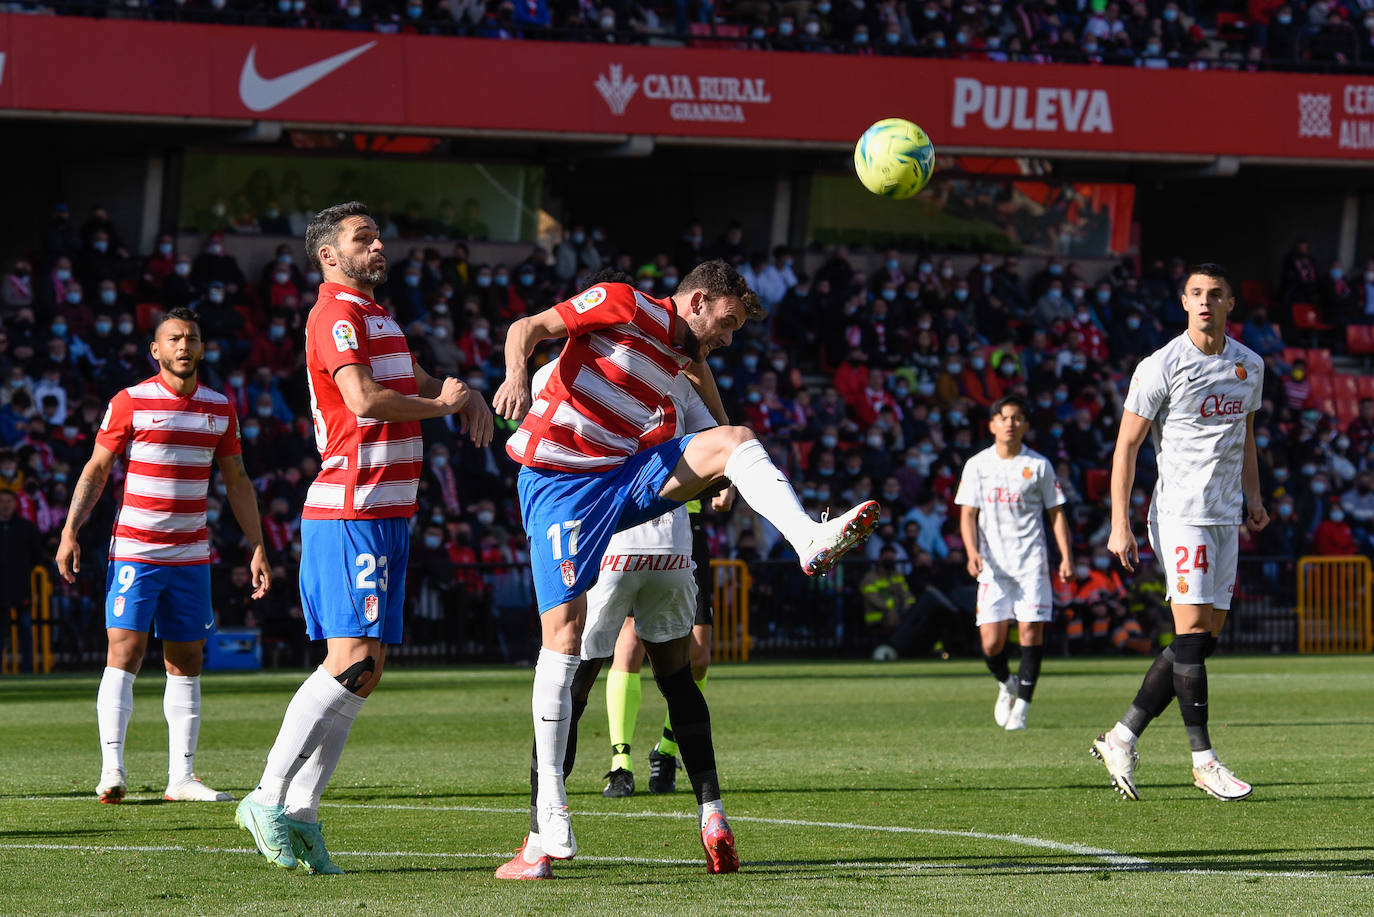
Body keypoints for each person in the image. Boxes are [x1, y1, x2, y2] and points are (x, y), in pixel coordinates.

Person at [491, 259, 880, 873]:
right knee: (564, 639)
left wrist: (730, 470)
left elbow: (720, 429)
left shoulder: (684, 358)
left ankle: (808, 538)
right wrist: (516, 375)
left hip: (623, 476)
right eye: (726, 322)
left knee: (737, 440)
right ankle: (552, 816)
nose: (727, 338)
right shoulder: (623, 303)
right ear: (697, 301)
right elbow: (526, 328)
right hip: (560, 480)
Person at [235, 202, 491, 874]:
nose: (378, 246)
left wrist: (462, 393)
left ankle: (302, 812)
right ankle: (266, 796)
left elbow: (414, 381)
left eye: (378, 237)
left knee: (366, 670)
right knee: (349, 662)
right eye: (363, 238)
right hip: (351, 506)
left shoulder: (380, 316)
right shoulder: (334, 315)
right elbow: (365, 399)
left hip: (389, 509)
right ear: (329, 255)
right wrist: (440, 407)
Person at [497, 340, 726, 879]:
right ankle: (713, 815)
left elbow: (541, 453)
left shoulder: (560, 372)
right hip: (673, 546)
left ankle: (539, 840)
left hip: (608, 540)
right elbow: (719, 446)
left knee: (568, 690)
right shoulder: (675, 376)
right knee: (679, 683)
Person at [55, 307, 273, 805]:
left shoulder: (219, 407)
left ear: (202, 348)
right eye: (173, 338)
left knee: (187, 659)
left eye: (191, 338)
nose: (183, 345)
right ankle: (112, 770)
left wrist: (258, 545)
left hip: (191, 555)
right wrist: (70, 531)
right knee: (124, 652)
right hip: (136, 550)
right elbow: (97, 469)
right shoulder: (130, 401)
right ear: (156, 350)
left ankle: (182, 778)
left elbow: (238, 480)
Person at [1091, 262, 1267, 803]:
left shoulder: (1250, 364)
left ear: (1231, 303)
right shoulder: (1161, 365)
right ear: (1184, 302)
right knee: (1191, 634)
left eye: (1215, 293)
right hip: (1180, 514)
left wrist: (1254, 498)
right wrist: (1120, 523)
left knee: (1203, 639)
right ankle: (1203, 761)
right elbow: (1126, 446)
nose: (1205, 301)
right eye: (1196, 293)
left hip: (1224, 515)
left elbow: (1246, 435)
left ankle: (1121, 737)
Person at [955, 395, 1074, 732]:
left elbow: (1056, 513)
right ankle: (1007, 683)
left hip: (1031, 564)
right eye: (1004, 417)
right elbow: (967, 514)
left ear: (1025, 425)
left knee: (1029, 633)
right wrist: (971, 551)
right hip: (993, 567)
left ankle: (1021, 708)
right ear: (992, 424)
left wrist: (1066, 556)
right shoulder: (977, 465)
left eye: (1017, 417)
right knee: (991, 643)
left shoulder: (1038, 465)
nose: (1010, 423)